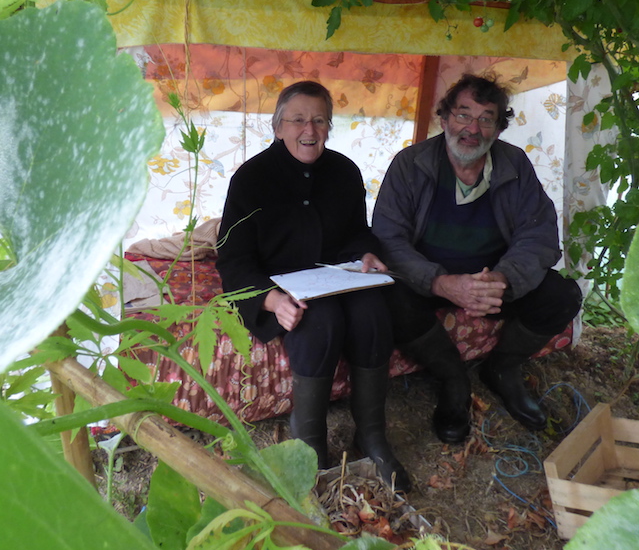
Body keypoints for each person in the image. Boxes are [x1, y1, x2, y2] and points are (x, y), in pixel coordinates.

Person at [216, 80, 410, 492]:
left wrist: (368, 255)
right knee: (319, 324)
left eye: (319, 120)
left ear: (329, 126)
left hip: (334, 277)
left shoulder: (344, 172)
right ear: (278, 126)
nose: (310, 129)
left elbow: (358, 232)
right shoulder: (251, 179)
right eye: (299, 119)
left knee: (373, 313)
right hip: (282, 287)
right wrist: (269, 301)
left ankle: (371, 436)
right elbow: (232, 259)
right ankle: (311, 450)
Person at [371, 74, 583, 441]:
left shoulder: (514, 164)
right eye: (463, 115)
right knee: (385, 297)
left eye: (486, 119)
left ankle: (502, 368)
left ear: (499, 129)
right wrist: (440, 282)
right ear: (444, 119)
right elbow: (389, 239)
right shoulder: (411, 165)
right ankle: (452, 376)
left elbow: (540, 234)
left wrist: (503, 280)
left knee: (562, 295)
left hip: (491, 282)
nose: (472, 128)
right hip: (428, 280)